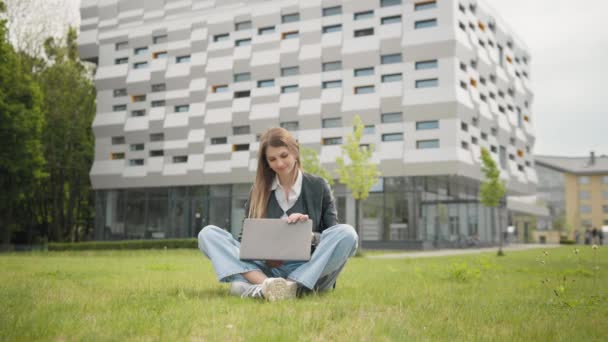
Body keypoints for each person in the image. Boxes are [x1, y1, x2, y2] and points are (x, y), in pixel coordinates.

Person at [197, 127, 358, 301]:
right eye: (272, 159)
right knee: (208, 234)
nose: (280, 164)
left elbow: (332, 234)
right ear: (266, 162)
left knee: (347, 234)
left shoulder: (318, 186)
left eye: (284, 156)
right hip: (265, 268)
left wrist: (308, 235)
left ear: (295, 152)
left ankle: (283, 286)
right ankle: (268, 285)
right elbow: (245, 241)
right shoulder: (258, 191)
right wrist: (265, 255)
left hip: (308, 267)